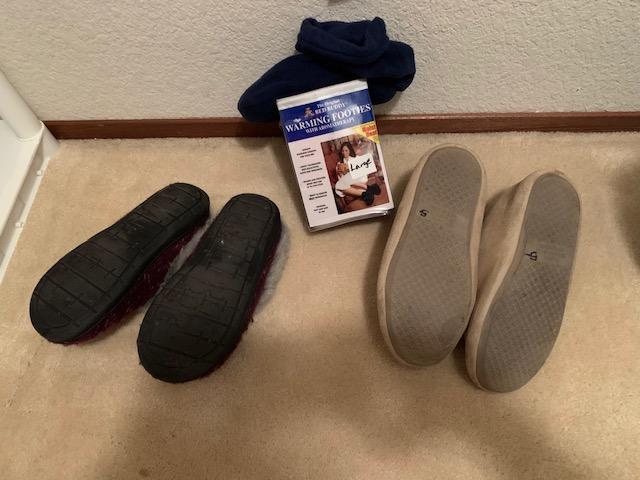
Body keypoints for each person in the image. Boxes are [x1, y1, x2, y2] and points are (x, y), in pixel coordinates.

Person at [334, 141, 380, 206]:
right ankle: (366, 192)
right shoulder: (339, 164)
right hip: (348, 182)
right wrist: (340, 172)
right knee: (340, 185)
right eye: (342, 151)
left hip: (359, 179)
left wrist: (350, 169)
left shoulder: (356, 158)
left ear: (350, 150)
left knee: (339, 185)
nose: (344, 153)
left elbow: (365, 170)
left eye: (346, 150)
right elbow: (341, 178)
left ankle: (367, 190)